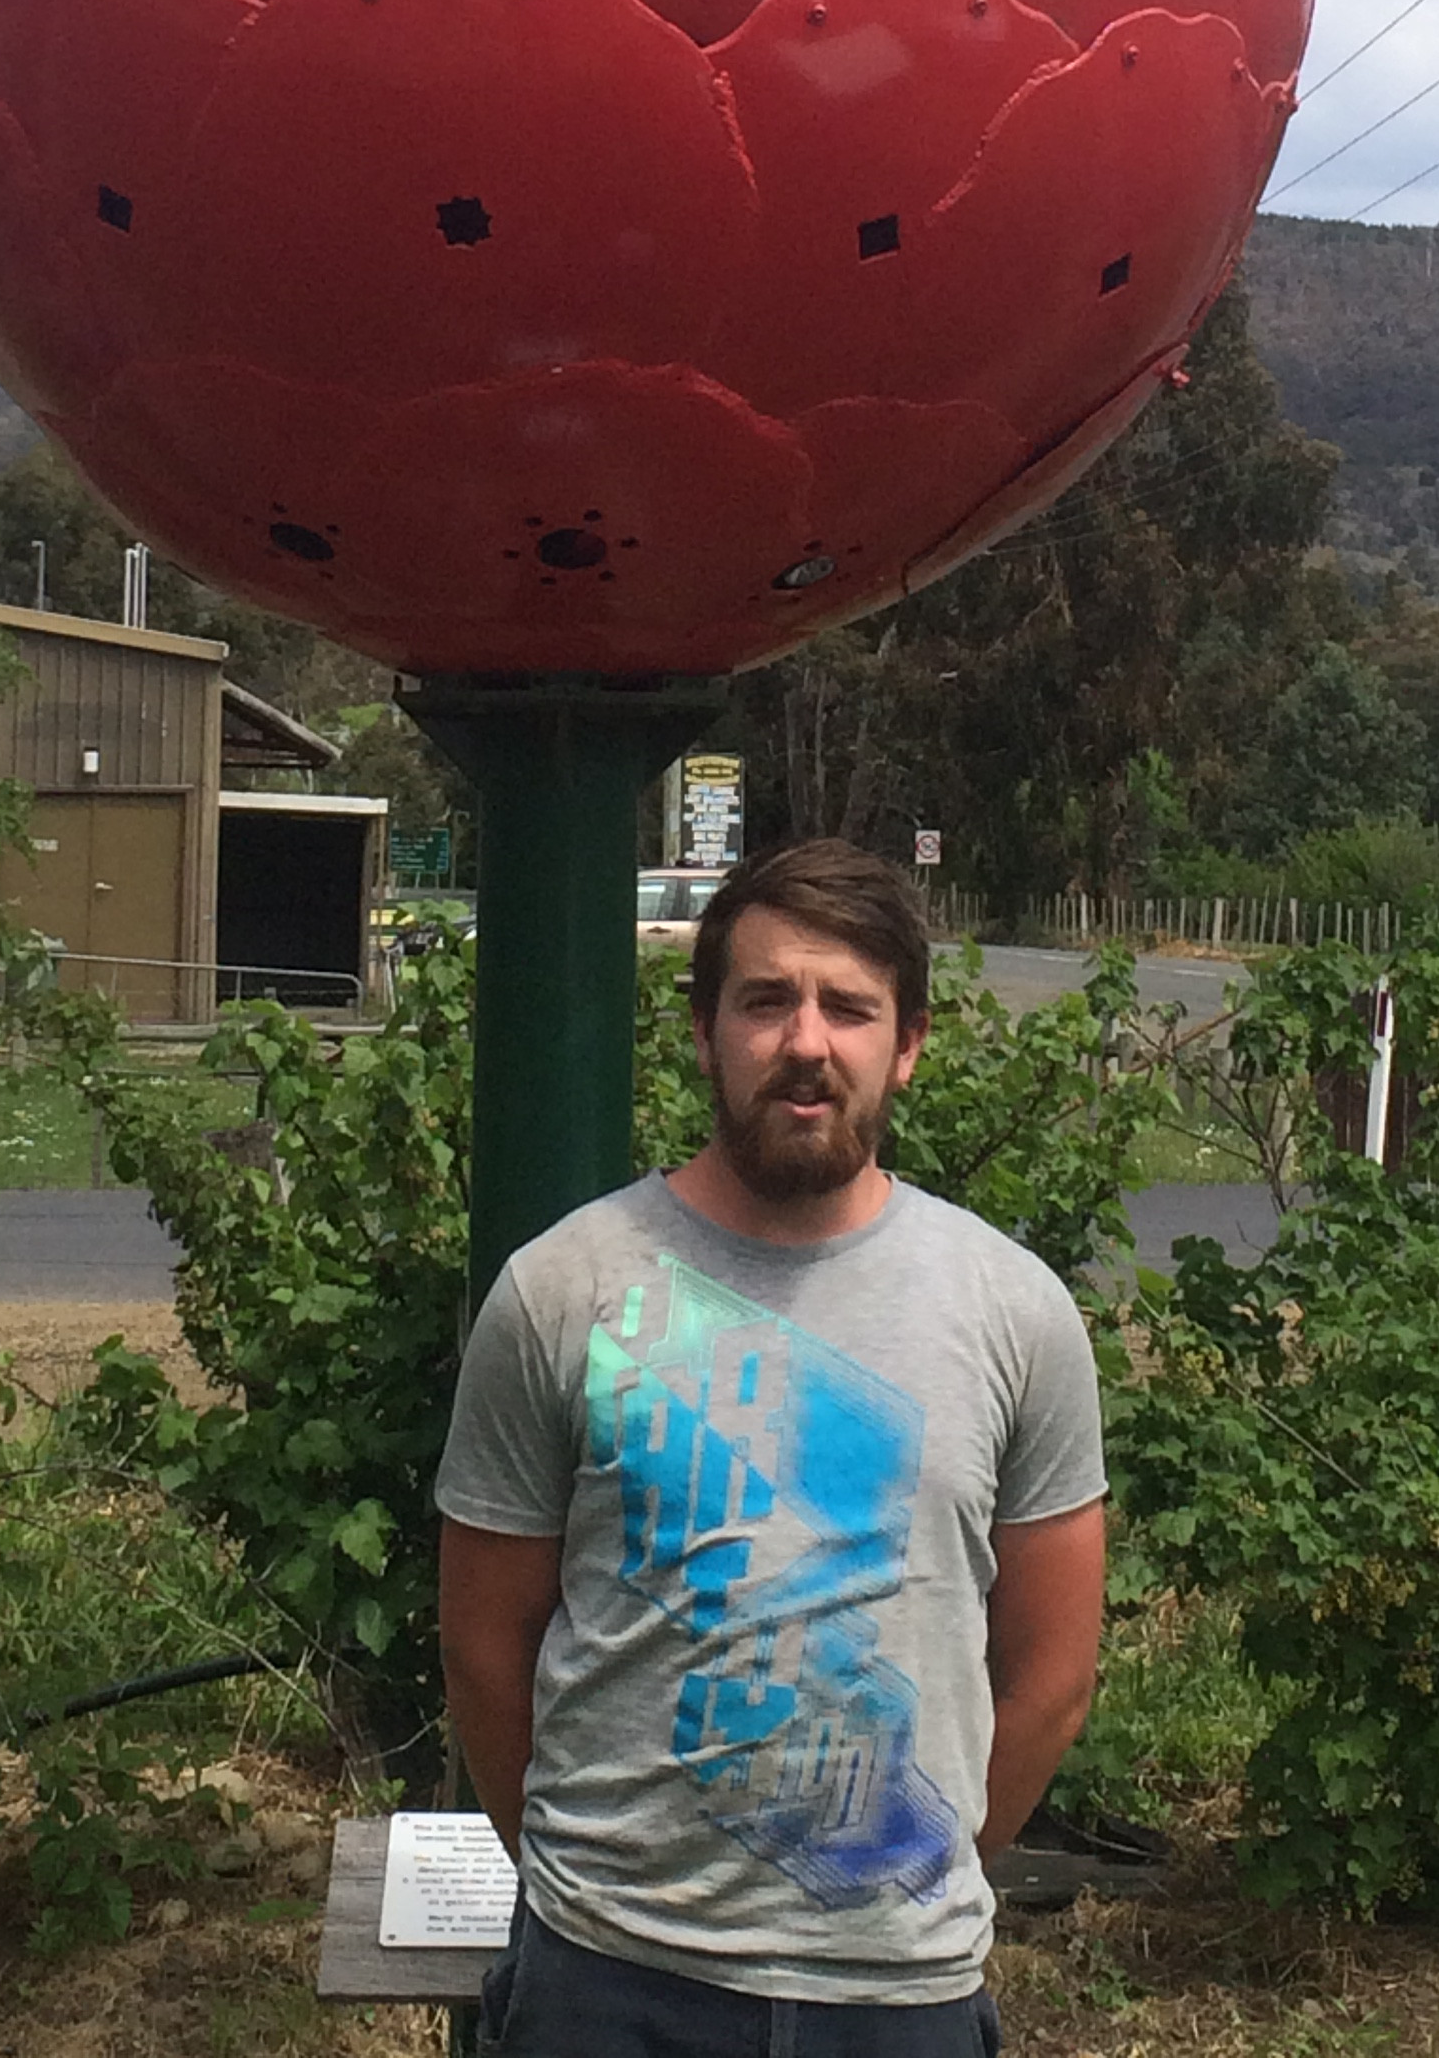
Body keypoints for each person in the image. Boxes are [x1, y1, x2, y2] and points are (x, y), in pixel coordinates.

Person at [437, 836, 1107, 2053]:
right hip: (608, 1980)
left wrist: (907, 1880)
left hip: (899, 2000)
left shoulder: (1013, 1311)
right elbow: (486, 1648)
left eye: (849, 1007)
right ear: (703, 1032)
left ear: (905, 1045)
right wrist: (589, 1888)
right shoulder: (561, 1290)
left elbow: (1052, 1675)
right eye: (766, 1000)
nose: (807, 1042)